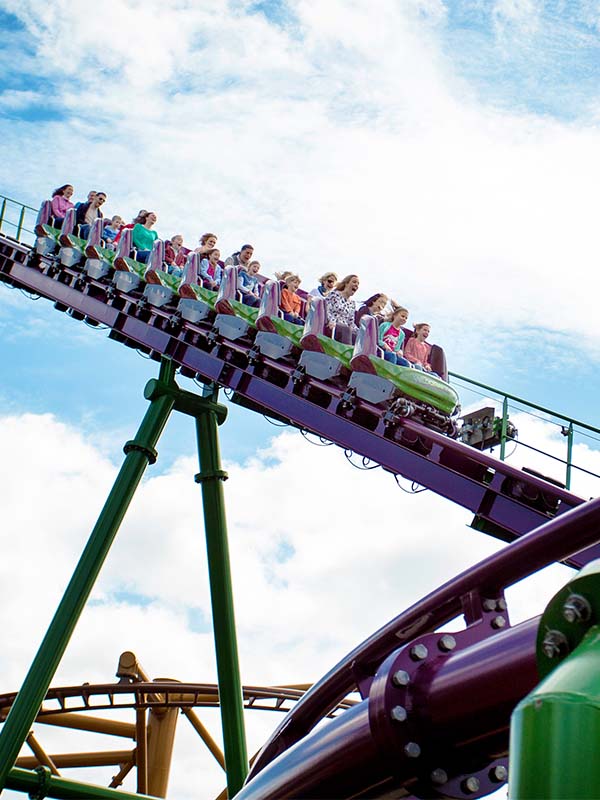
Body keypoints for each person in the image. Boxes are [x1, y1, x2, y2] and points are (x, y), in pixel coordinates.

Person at [325, 274, 360, 343]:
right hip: (332, 326)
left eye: (358, 284)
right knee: (346, 329)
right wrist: (331, 321)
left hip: (346, 331)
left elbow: (351, 322)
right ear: (346, 283)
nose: (356, 285)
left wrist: (361, 332)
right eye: (354, 282)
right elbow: (326, 310)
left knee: (359, 336)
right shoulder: (334, 295)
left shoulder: (352, 303)